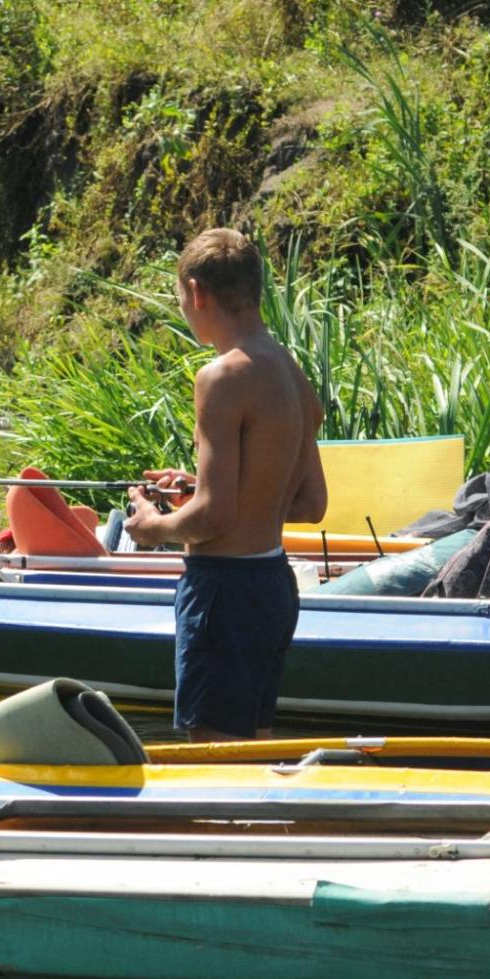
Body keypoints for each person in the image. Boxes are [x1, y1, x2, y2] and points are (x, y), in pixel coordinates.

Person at [122, 228, 327, 740]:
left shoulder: (220, 378)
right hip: (272, 588)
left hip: (223, 592)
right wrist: (213, 483)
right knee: (252, 750)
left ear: (196, 292)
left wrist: (153, 525)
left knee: (211, 758)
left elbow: (215, 517)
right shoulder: (291, 373)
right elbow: (310, 502)